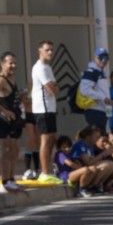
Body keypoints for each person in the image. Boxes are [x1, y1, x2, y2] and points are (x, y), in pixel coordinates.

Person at [0, 52, 25, 187]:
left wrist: (20, 96)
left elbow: (10, 98)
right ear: (3, 64)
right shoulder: (0, 80)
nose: (13, 66)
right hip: (4, 121)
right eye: (10, 63)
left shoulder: (12, 78)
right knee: (7, 150)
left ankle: (11, 178)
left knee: (15, 150)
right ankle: (5, 181)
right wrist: (3, 111)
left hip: (15, 119)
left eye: (15, 63)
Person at [29, 40, 62, 184]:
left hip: (50, 107)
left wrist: (54, 87)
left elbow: (56, 87)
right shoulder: (40, 68)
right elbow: (52, 89)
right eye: (47, 50)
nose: (50, 52)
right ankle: (44, 172)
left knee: (51, 139)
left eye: (51, 50)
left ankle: (48, 169)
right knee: (45, 139)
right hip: (42, 108)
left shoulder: (47, 67)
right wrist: (53, 87)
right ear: (40, 51)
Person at [78, 48, 111, 133]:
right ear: (95, 58)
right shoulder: (91, 72)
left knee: (102, 139)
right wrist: (103, 98)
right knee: (98, 140)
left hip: (102, 112)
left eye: (106, 58)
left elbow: (106, 94)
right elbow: (84, 90)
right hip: (94, 111)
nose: (104, 60)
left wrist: (109, 113)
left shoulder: (101, 72)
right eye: (101, 57)